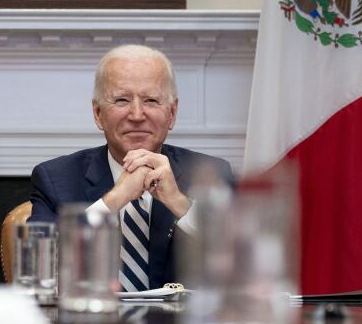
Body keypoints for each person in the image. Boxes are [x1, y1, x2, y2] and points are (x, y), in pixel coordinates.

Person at [29, 44, 234, 291]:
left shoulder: (210, 174)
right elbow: (37, 270)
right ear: (98, 113)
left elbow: (242, 266)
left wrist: (179, 203)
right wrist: (114, 200)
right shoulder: (55, 178)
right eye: (122, 100)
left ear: (172, 113)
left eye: (151, 100)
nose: (137, 114)